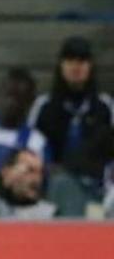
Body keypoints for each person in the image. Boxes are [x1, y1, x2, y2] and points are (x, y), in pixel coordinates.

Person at [28, 37, 114, 214]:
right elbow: (32, 150)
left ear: (90, 66)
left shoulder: (105, 106)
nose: (76, 66)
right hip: (54, 186)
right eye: (70, 60)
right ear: (61, 65)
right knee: (63, 184)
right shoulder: (44, 106)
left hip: (98, 186)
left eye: (82, 61)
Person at [0, 68, 49, 171]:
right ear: (0, 94)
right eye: (8, 95)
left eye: (18, 98)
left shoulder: (36, 142)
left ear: (30, 102)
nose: (11, 102)